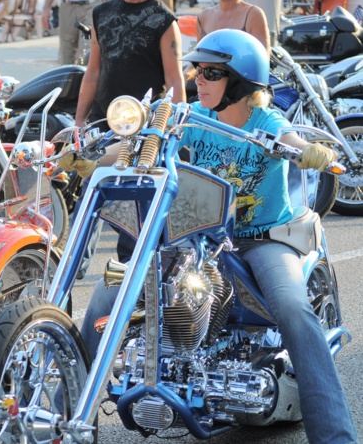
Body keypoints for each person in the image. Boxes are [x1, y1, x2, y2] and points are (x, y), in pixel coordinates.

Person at [67, 29, 358, 444]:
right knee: (107, 294)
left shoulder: (265, 122)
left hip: (261, 238)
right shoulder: (193, 118)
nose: (198, 78)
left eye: (211, 72)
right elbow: (146, 140)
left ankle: (335, 436)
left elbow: (290, 139)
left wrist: (308, 151)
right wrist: (92, 159)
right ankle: (70, 417)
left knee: (293, 308)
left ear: (240, 82)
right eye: (197, 70)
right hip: (199, 235)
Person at [74, 0, 184, 128]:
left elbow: (174, 79)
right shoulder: (101, 13)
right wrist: (79, 120)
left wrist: (177, 128)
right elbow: (92, 72)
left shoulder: (164, 19)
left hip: (145, 122)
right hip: (104, 119)